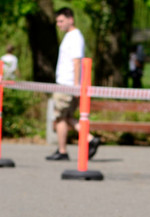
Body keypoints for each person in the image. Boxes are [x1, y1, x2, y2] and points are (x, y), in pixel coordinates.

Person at [46, 7, 100, 161]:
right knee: (66, 117)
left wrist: (76, 85)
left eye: (61, 21)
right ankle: (88, 139)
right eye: (57, 21)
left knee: (60, 117)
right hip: (67, 83)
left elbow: (77, 62)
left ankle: (63, 150)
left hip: (68, 84)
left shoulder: (75, 37)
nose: (59, 24)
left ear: (71, 19)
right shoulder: (70, 36)